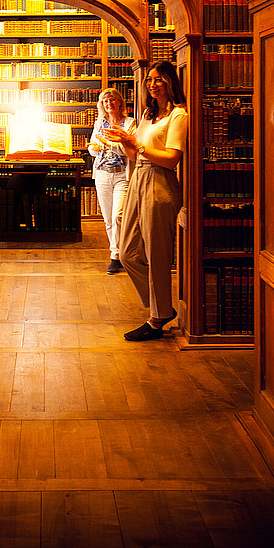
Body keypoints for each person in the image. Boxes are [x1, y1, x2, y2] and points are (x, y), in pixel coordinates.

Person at [101, 60, 188, 341]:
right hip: (137, 176)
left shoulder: (178, 115)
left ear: (170, 82)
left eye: (158, 78)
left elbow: (173, 158)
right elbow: (135, 156)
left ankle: (156, 317)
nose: (152, 83)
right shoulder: (148, 115)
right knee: (127, 252)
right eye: (149, 79)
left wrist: (137, 144)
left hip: (160, 183)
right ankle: (160, 308)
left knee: (157, 254)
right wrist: (125, 140)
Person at [87, 87, 136, 275]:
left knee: (119, 215)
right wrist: (95, 148)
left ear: (120, 102)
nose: (109, 104)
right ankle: (116, 254)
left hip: (122, 174)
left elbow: (131, 151)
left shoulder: (130, 124)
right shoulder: (99, 123)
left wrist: (110, 145)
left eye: (113, 100)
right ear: (102, 105)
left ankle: (119, 255)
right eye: (106, 101)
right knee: (108, 219)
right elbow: (92, 150)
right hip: (102, 174)